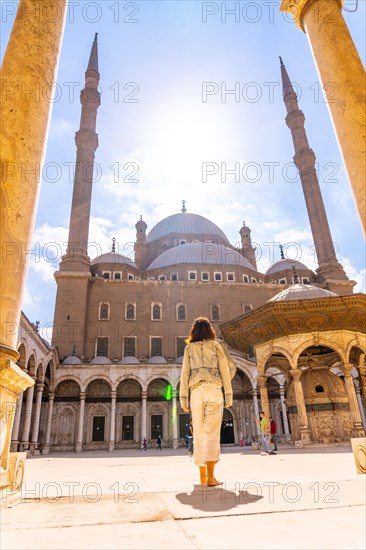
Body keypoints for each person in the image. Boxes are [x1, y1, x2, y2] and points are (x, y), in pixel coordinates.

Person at [180, 317, 233, 486]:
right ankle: (211, 477)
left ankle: (202, 477)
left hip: (196, 392)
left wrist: (183, 398)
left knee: (199, 433)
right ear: (210, 331)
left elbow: (184, 374)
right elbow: (225, 371)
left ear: (193, 332)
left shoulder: (189, 349)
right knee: (212, 433)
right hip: (214, 390)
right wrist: (229, 395)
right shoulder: (216, 346)